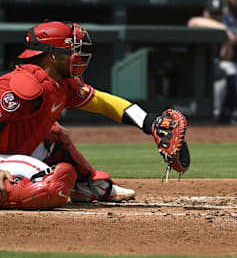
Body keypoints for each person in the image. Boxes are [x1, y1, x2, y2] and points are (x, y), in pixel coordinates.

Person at [0, 21, 183, 208]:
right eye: (71, 50)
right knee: (53, 185)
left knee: (56, 136)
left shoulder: (62, 84)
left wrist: (148, 121)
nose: (77, 56)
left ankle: (86, 186)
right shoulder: (21, 85)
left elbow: (103, 102)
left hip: (16, 153)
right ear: (52, 56)